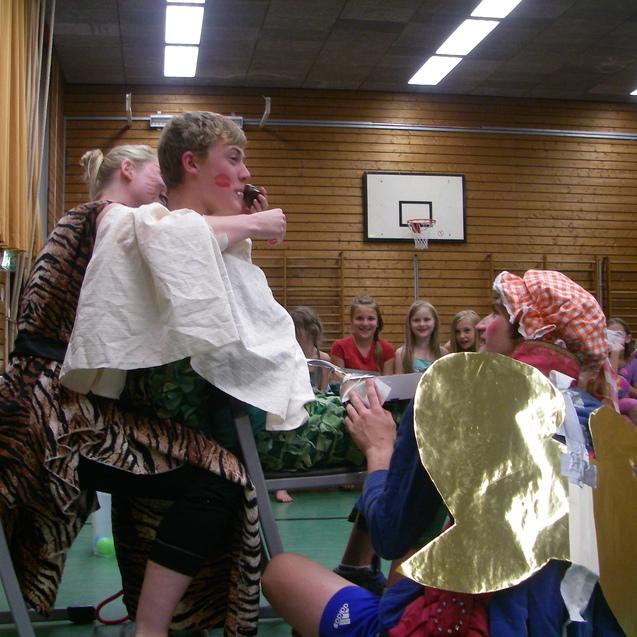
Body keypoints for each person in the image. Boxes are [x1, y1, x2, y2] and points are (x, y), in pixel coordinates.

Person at [57, 112, 315, 636]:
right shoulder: (124, 222)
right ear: (191, 163)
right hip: (200, 430)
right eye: (234, 159)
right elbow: (168, 234)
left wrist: (239, 231)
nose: (246, 173)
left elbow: (188, 240)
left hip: (218, 424)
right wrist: (251, 225)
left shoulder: (179, 239)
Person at [262, 269, 624, 637]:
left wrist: (379, 451)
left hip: (465, 624)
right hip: (585, 623)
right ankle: (358, 576)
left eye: (497, 312)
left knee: (281, 572)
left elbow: (390, 536)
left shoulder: (456, 401)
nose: (482, 325)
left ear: (531, 331)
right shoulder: (603, 419)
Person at [273, 306, 332, 503]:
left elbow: (323, 390)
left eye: (301, 332)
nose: (298, 337)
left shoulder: (323, 358)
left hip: (316, 405)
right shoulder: (287, 356)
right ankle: (282, 483)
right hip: (294, 405)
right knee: (288, 430)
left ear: (312, 332)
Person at [330, 295, 394, 374]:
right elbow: (338, 381)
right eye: (359, 318)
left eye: (371, 318)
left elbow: (387, 381)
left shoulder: (387, 349)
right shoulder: (339, 347)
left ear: (377, 322)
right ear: (351, 321)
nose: (365, 323)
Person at [394, 300, 446, 374]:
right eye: (416, 320)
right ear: (409, 323)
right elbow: (398, 381)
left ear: (435, 322)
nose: (422, 324)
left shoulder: (443, 353)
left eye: (426, 319)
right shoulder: (401, 354)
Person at [606, 317, 637, 424]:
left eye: (618, 334)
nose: (614, 338)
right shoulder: (602, 359)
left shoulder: (633, 362)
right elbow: (608, 385)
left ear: (627, 338)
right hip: (609, 402)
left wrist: (627, 387)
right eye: (610, 334)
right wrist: (614, 354)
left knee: (627, 418)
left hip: (628, 402)